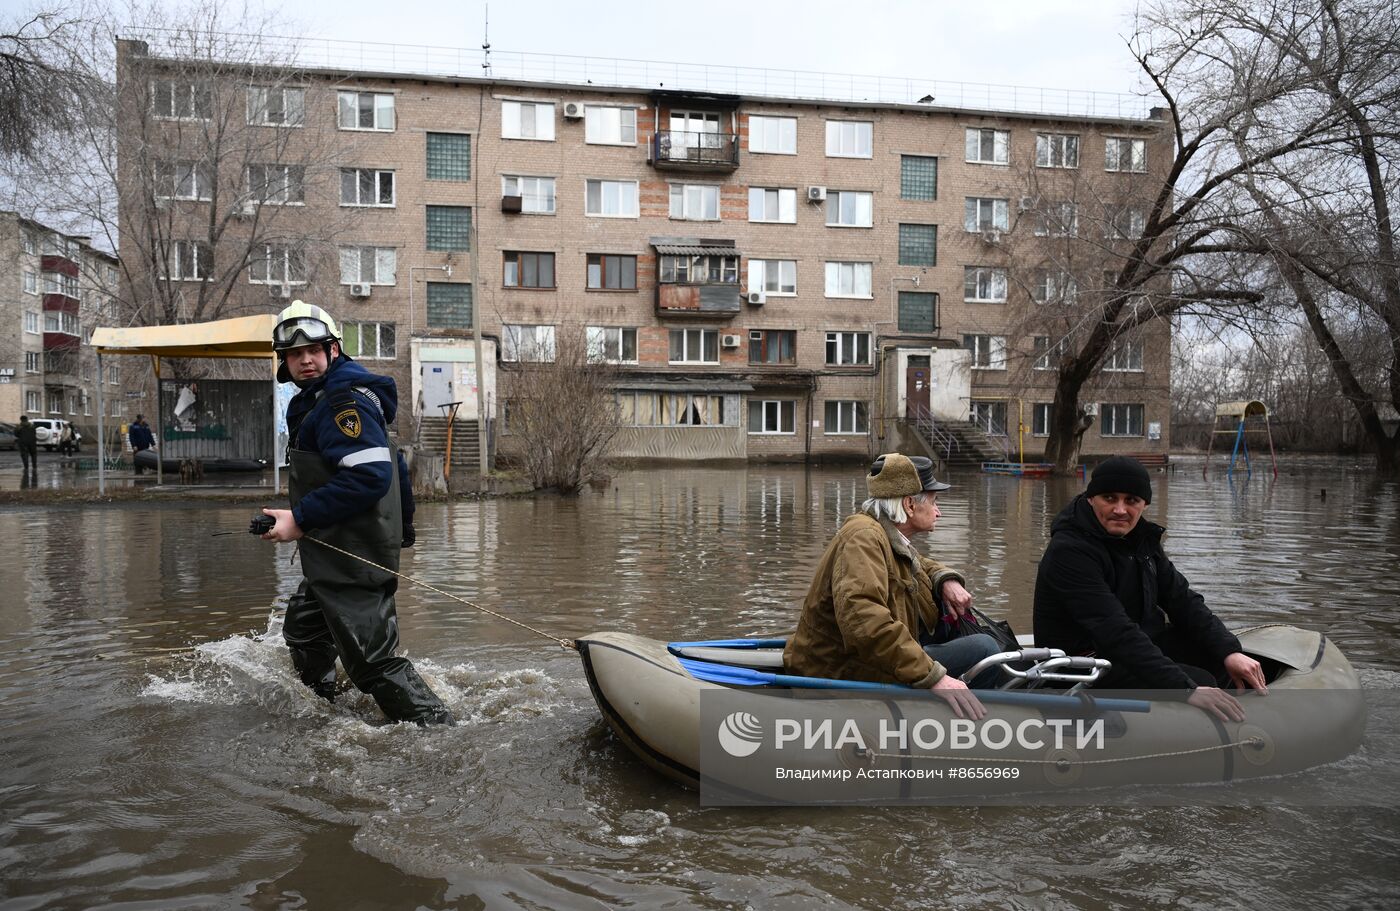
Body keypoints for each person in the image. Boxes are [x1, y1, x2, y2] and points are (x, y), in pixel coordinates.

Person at [259, 301, 452, 726]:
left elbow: (370, 475)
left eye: (315, 349)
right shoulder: (322, 398)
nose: (305, 360)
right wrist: (402, 529)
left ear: (334, 350)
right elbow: (396, 464)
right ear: (284, 361)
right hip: (339, 545)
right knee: (305, 628)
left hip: (352, 550)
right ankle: (324, 709)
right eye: (294, 354)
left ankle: (445, 737)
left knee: (372, 663)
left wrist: (300, 518)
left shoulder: (340, 401)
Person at [1034, 456, 1268, 722]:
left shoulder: (1142, 541)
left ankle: (1233, 722)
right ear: (1091, 498)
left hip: (1131, 646)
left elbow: (1183, 600)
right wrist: (1186, 689)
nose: (1120, 509)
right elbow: (1115, 631)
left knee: (1215, 655)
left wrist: (1229, 650)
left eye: (1131, 500)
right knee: (1201, 680)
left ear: (1144, 504)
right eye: (1109, 498)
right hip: (1085, 664)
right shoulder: (1070, 551)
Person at [784, 453, 1003, 719]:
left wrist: (946, 580)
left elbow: (920, 564)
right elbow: (865, 623)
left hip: (866, 660)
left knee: (975, 640)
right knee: (985, 648)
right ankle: (970, 722)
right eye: (934, 502)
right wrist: (933, 676)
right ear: (910, 504)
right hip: (841, 669)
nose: (939, 511)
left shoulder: (885, 535)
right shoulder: (864, 539)